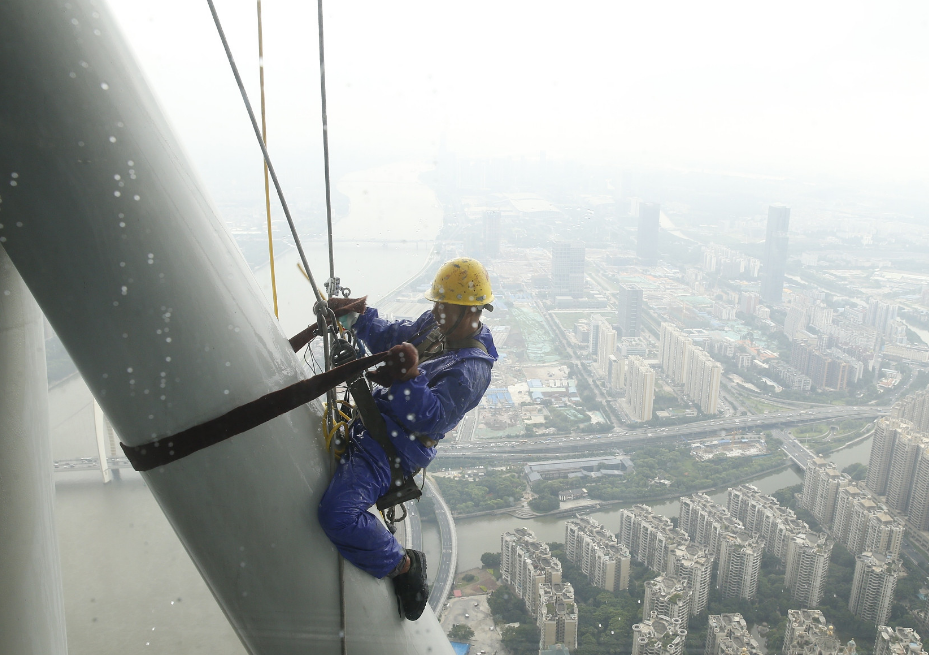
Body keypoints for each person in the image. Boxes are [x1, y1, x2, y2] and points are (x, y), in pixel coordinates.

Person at [318, 257, 498, 621]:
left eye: (444, 308)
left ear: (471, 313)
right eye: (437, 305)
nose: (435, 313)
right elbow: (394, 337)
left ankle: (402, 565)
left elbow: (431, 419)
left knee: (338, 516)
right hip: (374, 424)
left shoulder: (472, 370)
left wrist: (408, 377)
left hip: (393, 451)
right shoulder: (439, 327)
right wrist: (359, 317)